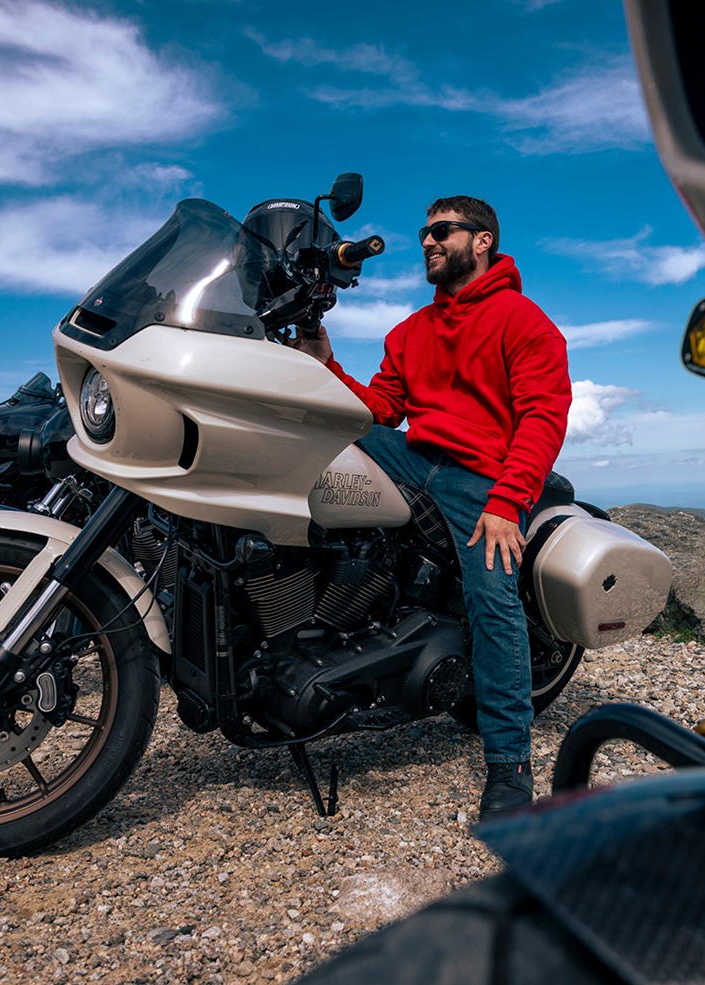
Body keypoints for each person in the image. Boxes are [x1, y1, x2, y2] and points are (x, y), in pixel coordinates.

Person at [295, 196, 572, 819]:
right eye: (424, 232)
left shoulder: (525, 322)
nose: (427, 241)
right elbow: (379, 410)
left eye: (441, 231)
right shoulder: (410, 331)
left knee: (492, 599)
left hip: (483, 477)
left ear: (483, 241)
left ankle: (509, 763)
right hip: (415, 454)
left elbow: (543, 417)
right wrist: (325, 363)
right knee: (321, 443)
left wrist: (508, 501)